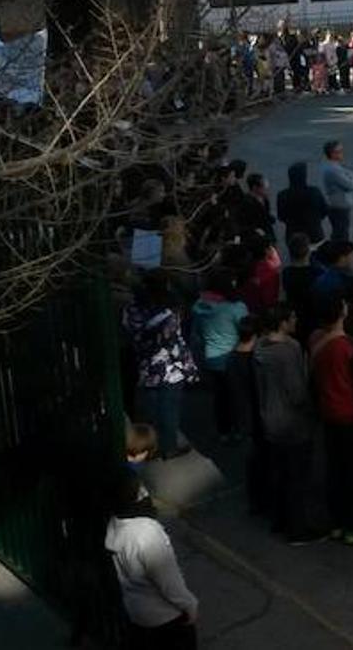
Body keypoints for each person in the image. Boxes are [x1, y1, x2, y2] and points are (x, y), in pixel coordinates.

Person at [105, 471, 199, 650]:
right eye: (142, 489)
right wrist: (189, 605)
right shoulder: (147, 534)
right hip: (165, 617)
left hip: (137, 613)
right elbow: (168, 582)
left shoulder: (115, 525)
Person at [253, 305, 319, 544]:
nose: (296, 320)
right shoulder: (289, 351)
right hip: (293, 422)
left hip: (270, 418)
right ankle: (298, 529)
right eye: (292, 317)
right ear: (283, 322)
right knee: (297, 478)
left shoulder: (260, 347)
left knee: (279, 473)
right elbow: (297, 393)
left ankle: (279, 520)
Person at [309, 294, 353, 544]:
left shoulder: (315, 342)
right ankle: (352, 527)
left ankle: (335, 523)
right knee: (352, 473)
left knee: (333, 470)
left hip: (328, 413)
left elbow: (313, 382)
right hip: (351, 416)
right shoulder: (350, 346)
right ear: (341, 314)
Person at [124, 270, 197, 459]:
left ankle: (152, 445)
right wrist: (189, 368)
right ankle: (169, 447)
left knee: (153, 410)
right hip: (169, 370)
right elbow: (174, 344)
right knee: (169, 411)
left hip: (145, 367)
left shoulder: (131, 310)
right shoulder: (168, 313)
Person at [190, 268, 251, 444]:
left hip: (211, 358)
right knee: (237, 397)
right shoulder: (236, 308)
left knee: (220, 397)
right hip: (232, 357)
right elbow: (245, 329)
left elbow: (198, 333)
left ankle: (223, 430)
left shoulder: (199, 307)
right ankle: (239, 430)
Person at [275, 161, 327, 244]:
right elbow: (324, 210)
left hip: (293, 235)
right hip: (314, 233)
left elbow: (281, 216)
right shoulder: (314, 192)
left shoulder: (283, 195)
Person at [321, 140, 353, 242]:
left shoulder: (333, 167)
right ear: (333, 154)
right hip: (339, 207)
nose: (342, 153)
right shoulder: (333, 170)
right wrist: (351, 174)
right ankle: (339, 255)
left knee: (339, 232)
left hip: (338, 205)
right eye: (339, 151)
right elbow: (351, 186)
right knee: (341, 234)